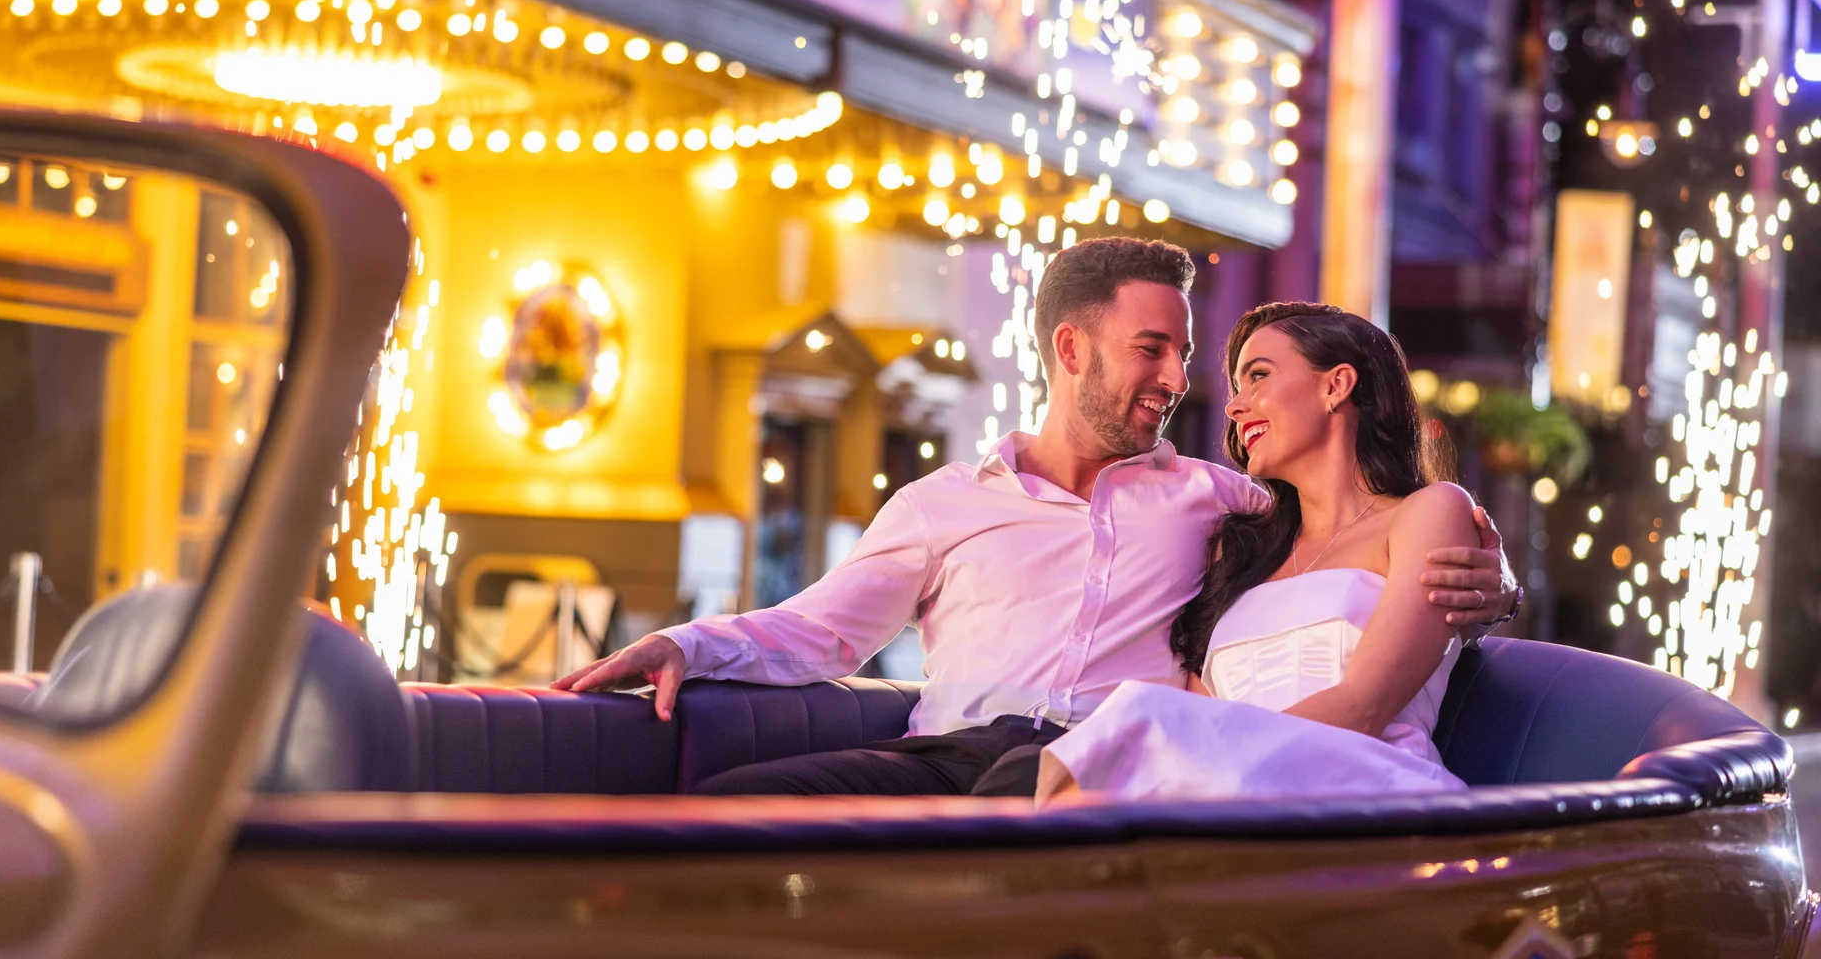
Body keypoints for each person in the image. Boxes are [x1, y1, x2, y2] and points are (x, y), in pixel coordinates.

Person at [556, 238, 1519, 797]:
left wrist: (1493, 579)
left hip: (1111, 769)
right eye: (1153, 350)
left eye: (1187, 357)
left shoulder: (1219, 496)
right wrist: (687, 644)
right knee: (729, 809)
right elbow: (821, 628)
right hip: (954, 753)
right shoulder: (945, 503)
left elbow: (1372, 532)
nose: (1181, 384)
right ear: (1071, 347)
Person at [1036, 302, 1474, 804]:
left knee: (1137, 725)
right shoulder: (1241, 552)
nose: (1234, 406)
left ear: (1337, 385)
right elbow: (1199, 708)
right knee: (1096, 748)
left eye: (1258, 376)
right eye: (1236, 387)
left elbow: (1364, 707)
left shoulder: (1428, 512)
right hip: (1235, 802)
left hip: (1367, 788)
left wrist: (1201, 773)